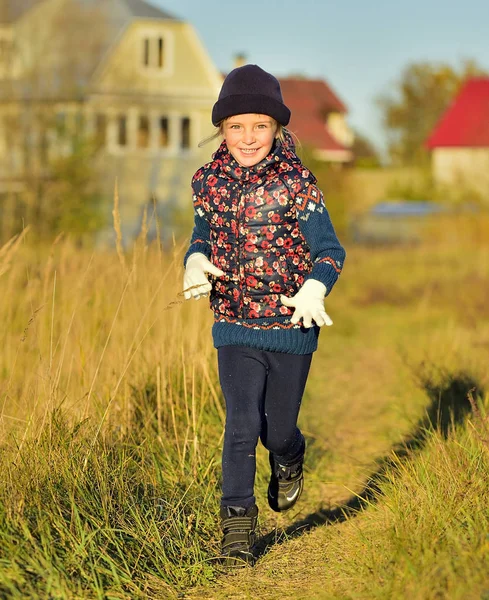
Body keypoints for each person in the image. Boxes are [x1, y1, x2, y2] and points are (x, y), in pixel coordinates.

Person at [182, 64, 346, 566]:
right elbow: (202, 235)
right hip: (233, 321)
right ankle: (236, 533)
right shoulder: (207, 182)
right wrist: (193, 258)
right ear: (221, 130)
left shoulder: (298, 182)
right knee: (240, 422)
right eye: (235, 126)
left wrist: (316, 287)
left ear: (276, 128)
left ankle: (290, 455)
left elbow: (329, 249)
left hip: (292, 326)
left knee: (276, 430)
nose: (247, 137)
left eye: (259, 125)